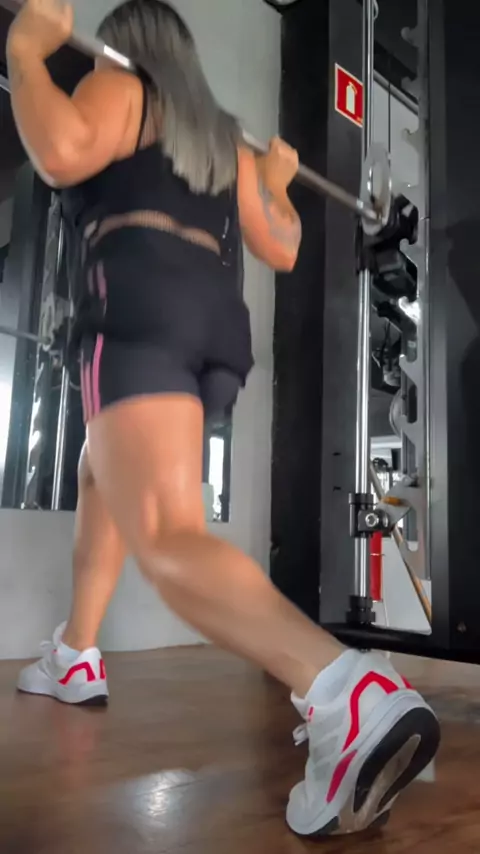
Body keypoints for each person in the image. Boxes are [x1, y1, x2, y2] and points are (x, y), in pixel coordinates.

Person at [7, 0, 440, 838]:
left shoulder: (122, 85)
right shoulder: (219, 137)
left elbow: (60, 149)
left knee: (166, 535)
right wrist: (271, 182)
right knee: (102, 468)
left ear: (129, 47)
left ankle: (344, 690)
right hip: (205, 325)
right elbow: (281, 244)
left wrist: (27, 54)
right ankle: (77, 652)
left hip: (136, 303)